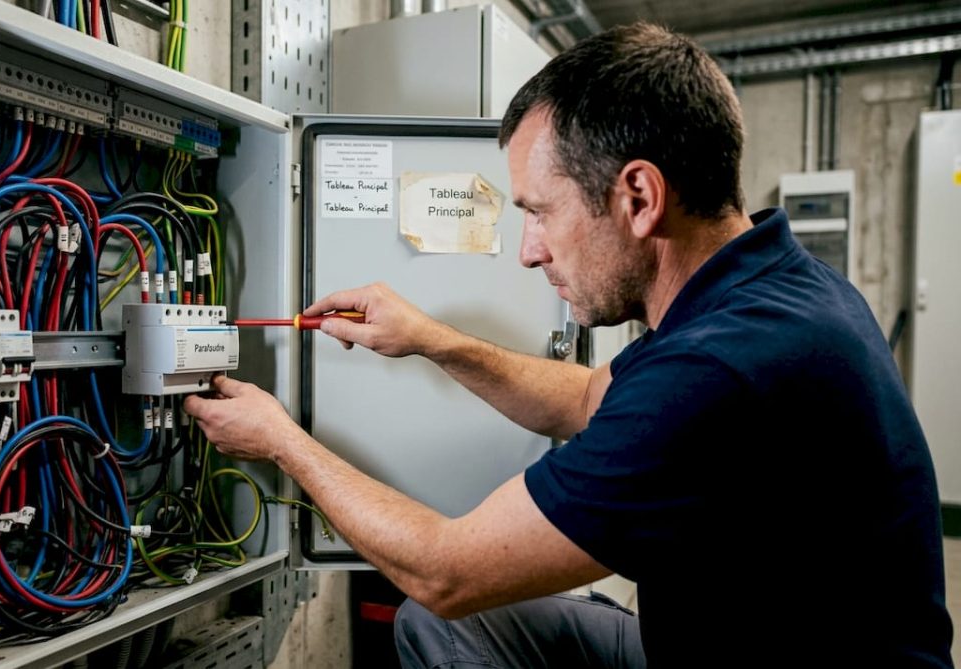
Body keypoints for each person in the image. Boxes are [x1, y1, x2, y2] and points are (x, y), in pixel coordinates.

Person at [185, 22, 953, 668]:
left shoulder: (721, 370)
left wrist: (281, 439)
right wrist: (430, 340)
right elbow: (589, 397)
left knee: (443, 601)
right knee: (441, 627)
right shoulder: (767, 289)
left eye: (541, 212)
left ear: (640, 198)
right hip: (734, 639)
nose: (528, 251)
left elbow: (448, 569)